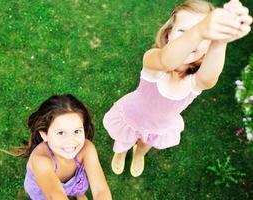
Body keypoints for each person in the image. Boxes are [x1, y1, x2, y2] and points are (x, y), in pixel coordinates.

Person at [103, 0, 252, 177]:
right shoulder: (153, 61)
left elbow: (209, 79)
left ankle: (139, 154)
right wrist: (199, 31)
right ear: (168, 35)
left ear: (209, 47)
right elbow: (167, 61)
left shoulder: (196, 81)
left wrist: (221, 41)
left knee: (145, 144)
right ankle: (121, 154)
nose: (195, 41)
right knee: (124, 140)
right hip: (132, 116)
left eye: (204, 38)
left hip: (159, 127)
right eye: (183, 31)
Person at [19, 94, 111, 199]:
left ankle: (78, 193)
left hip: (73, 183)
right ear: (44, 134)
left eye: (77, 131)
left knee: (77, 189)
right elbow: (55, 194)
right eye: (61, 133)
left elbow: (101, 190)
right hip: (45, 189)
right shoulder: (40, 160)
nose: (71, 141)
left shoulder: (87, 148)